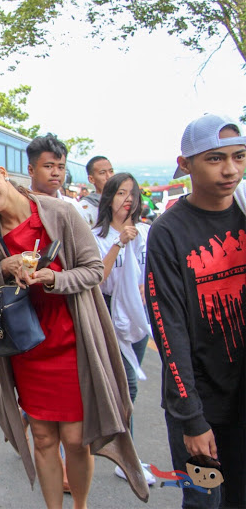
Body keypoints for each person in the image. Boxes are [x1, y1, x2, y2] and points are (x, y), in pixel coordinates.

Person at [0, 155, 148, 509]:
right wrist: (4, 266)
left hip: (72, 343)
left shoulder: (59, 212)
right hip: (27, 348)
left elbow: (93, 271)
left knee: (76, 439)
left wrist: (56, 278)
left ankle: (80, 505)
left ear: (1, 173)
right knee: (43, 438)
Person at [145, 113, 246, 509]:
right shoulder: (169, 231)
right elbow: (169, 329)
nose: (230, 169)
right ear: (185, 164)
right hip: (200, 401)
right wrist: (191, 418)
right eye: (215, 158)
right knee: (205, 500)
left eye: (239, 157)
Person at [91, 173, 156, 486]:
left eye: (133, 193)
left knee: (125, 389)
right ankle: (126, 459)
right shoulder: (96, 236)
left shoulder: (147, 231)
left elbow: (152, 272)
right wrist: (119, 243)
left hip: (138, 319)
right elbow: (97, 278)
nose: (128, 199)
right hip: (108, 318)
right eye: (121, 193)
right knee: (126, 387)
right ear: (109, 198)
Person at [79, 156, 115, 226]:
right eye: (102, 173)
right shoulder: (84, 208)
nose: (109, 176)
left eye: (111, 171)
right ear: (91, 179)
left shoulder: (122, 202)